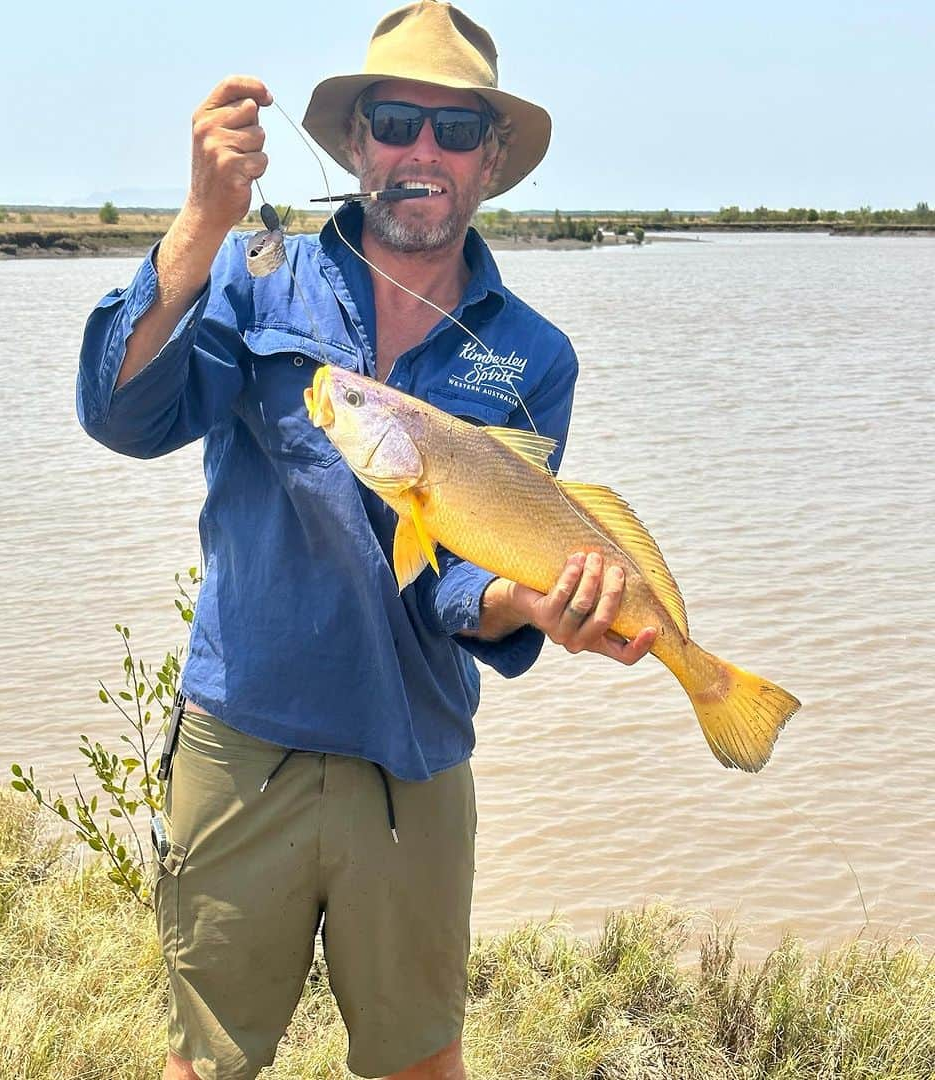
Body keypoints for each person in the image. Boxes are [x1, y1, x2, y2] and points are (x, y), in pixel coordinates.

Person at [77, 3, 655, 1077]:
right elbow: (123, 416)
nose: (421, 152)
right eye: (395, 120)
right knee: (205, 1063)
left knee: (421, 1063)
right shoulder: (256, 275)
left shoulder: (534, 353)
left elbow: (464, 568)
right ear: (354, 143)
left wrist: (531, 603)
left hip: (415, 756)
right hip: (243, 739)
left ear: (490, 160)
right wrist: (201, 223)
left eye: (454, 130)